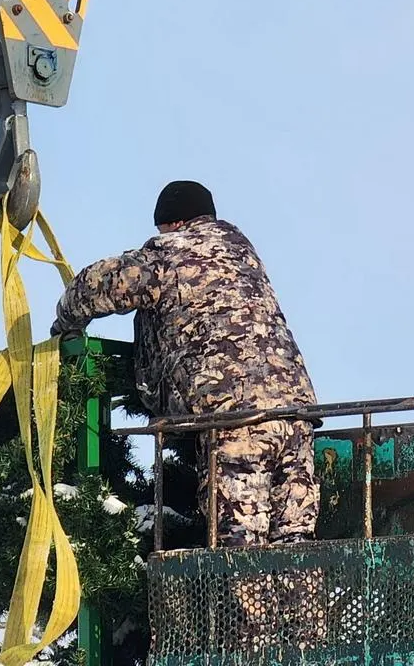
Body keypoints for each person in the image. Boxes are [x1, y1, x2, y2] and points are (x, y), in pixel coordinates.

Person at [50, 180, 320, 548]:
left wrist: (65, 322)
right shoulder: (241, 252)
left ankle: (245, 606)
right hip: (295, 416)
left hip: (234, 420)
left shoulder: (171, 253)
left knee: (239, 550)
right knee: (296, 544)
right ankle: (297, 605)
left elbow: (104, 284)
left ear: (173, 223)